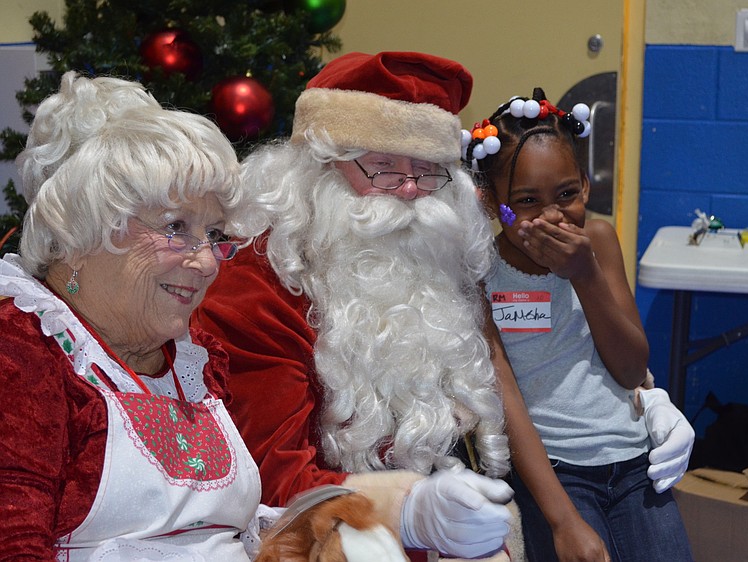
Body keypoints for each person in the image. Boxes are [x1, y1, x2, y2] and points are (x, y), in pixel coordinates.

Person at [0, 71, 406, 561]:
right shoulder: (22, 351)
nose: (208, 261)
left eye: (213, 234)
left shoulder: (193, 360)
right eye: (176, 227)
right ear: (81, 234)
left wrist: (334, 532)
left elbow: (224, 529)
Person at [192, 51, 517, 561]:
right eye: (384, 167)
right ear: (315, 169)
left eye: (428, 170)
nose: (410, 191)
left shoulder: (435, 262)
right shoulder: (256, 289)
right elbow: (271, 483)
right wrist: (411, 512)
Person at [465, 87, 694, 562]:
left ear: (586, 186)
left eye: (567, 194)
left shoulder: (599, 241)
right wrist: (563, 520)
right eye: (526, 201)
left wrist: (585, 273)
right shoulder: (477, 271)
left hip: (633, 461)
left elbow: (631, 370)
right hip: (550, 474)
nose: (552, 216)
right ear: (491, 203)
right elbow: (502, 392)